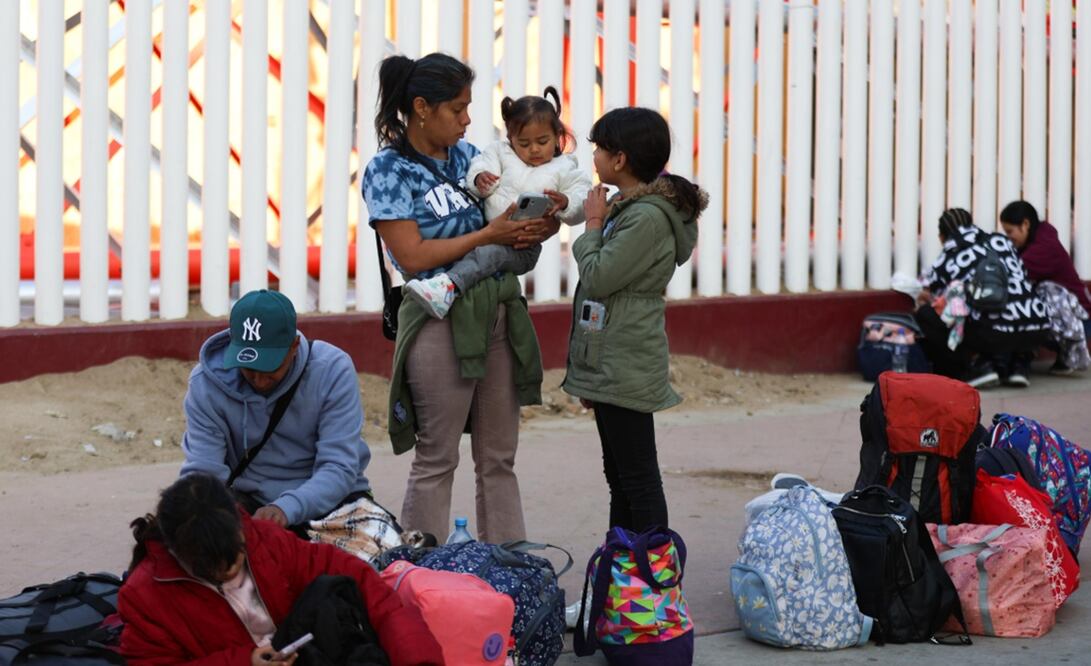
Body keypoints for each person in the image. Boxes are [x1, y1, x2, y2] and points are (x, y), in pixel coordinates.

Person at [362, 52, 553, 543]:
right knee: (438, 455)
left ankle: (510, 573)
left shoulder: (474, 159)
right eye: (458, 109)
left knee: (498, 458)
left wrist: (536, 223)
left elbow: (510, 220)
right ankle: (421, 578)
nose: (469, 120)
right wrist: (488, 235)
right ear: (422, 107)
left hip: (498, 312)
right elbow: (412, 255)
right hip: (437, 315)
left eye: (469, 108)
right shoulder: (389, 170)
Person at [118, 473, 443, 665]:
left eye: (237, 556)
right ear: (178, 554)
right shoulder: (145, 594)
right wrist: (244, 660)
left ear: (241, 528)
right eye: (214, 570)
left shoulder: (268, 542)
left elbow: (377, 598)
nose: (230, 571)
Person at [562, 107, 707, 533]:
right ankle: (622, 582)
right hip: (612, 356)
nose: (595, 157)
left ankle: (655, 585)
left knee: (638, 479)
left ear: (620, 159)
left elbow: (600, 275)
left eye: (599, 149)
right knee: (620, 479)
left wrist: (591, 224)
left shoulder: (645, 217)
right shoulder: (630, 207)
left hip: (626, 358)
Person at [180, 289, 372, 534]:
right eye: (248, 369)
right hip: (249, 502)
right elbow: (204, 473)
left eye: (270, 368)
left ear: (294, 346)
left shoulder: (332, 370)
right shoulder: (205, 385)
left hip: (333, 501)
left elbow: (338, 468)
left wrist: (285, 508)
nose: (259, 381)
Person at [403, 86, 592, 319]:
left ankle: (447, 288)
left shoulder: (565, 168)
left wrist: (565, 203)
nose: (533, 149)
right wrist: (479, 179)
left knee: (488, 254)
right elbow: (481, 167)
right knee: (482, 253)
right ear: (511, 139)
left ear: (557, 137)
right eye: (523, 143)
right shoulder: (499, 153)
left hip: (524, 246)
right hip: (490, 233)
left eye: (542, 141)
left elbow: (582, 198)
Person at [915, 208, 1051, 388]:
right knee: (997, 307)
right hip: (1038, 328)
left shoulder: (951, 251)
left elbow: (939, 299)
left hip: (994, 332)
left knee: (928, 315)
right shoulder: (1001, 241)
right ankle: (1016, 366)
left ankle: (975, 368)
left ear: (942, 237)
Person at [999, 200, 1091, 373]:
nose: (1008, 238)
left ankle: (1066, 351)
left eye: (1010, 232)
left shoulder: (1043, 250)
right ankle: (1064, 356)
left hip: (1082, 321)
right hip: (1079, 315)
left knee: (1030, 304)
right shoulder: (1037, 240)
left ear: (1025, 224)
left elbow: (1012, 275)